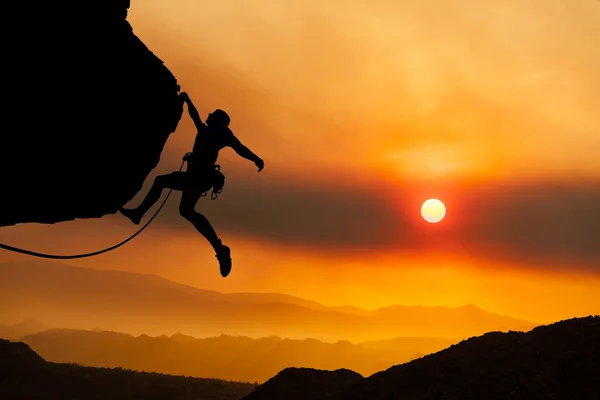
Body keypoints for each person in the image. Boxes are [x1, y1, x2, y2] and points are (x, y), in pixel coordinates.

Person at [119, 91, 264, 278]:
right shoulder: (209, 131)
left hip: (199, 178)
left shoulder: (220, 133)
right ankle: (220, 249)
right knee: (186, 210)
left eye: (213, 114)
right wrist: (187, 101)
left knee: (161, 183)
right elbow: (197, 118)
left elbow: (239, 148)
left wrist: (255, 159)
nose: (209, 115)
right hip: (198, 178)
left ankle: (139, 213)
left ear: (218, 120)